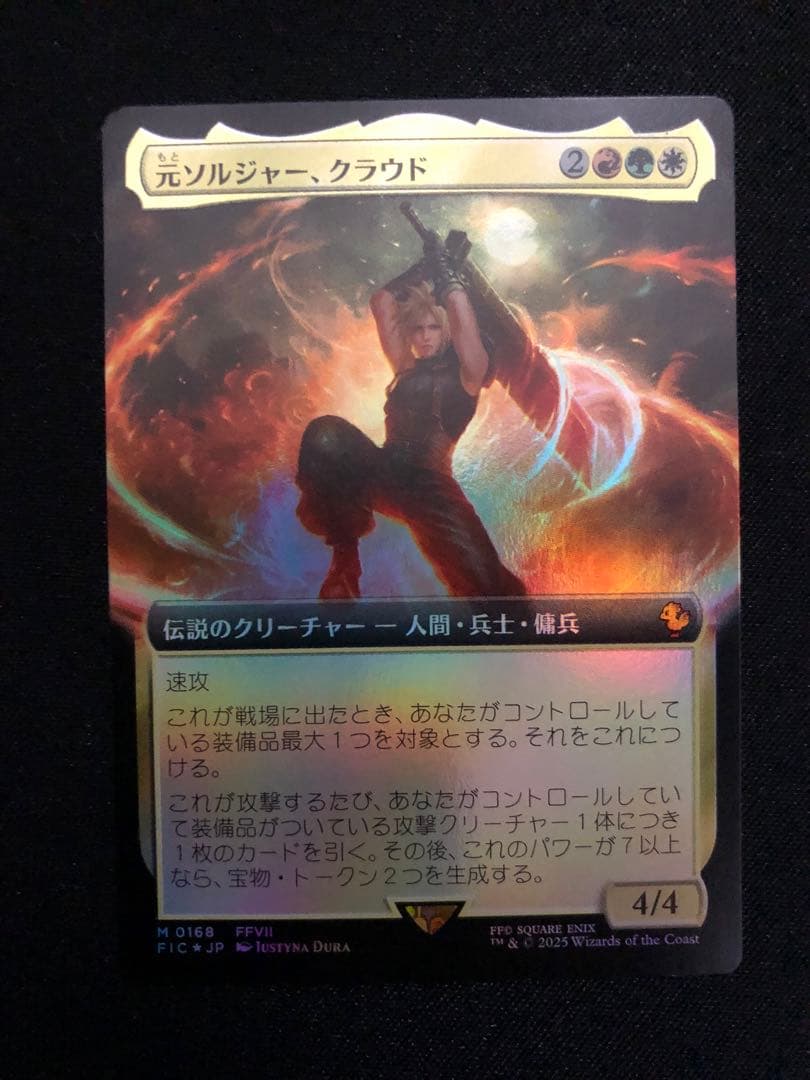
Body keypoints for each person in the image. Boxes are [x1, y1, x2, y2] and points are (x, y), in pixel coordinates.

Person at [295, 236, 526, 600]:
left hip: (431, 488)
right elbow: (382, 301)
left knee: (489, 590)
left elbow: (460, 317)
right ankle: (345, 561)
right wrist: (426, 265)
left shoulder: (470, 372)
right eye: (418, 329)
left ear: (447, 331)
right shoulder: (405, 368)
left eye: (433, 328)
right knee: (325, 434)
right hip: (385, 471)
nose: (424, 337)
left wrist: (446, 272)